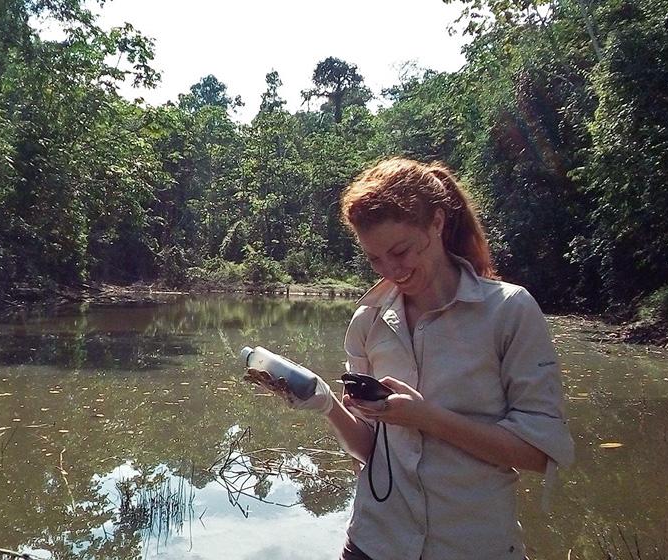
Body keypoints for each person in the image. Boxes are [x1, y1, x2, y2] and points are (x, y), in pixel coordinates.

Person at [245, 157, 574, 560]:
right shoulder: (368, 320)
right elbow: (371, 451)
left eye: (399, 251)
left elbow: (537, 453)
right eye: (374, 259)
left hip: (473, 547)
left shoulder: (509, 311)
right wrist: (328, 406)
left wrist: (427, 418)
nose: (390, 270)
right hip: (373, 544)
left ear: (437, 223)